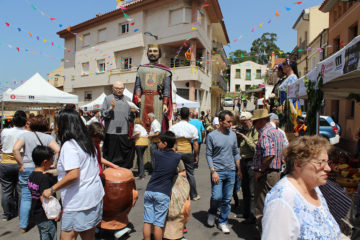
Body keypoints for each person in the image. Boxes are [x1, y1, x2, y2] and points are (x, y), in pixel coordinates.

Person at [262, 136, 341, 239]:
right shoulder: (282, 200)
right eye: (321, 162)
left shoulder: (314, 188)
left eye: (328, 162)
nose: (328, 168)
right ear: (298, 164)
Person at [42, 107, 104, 240]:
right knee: (89, 236)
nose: (55, 128)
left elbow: (74, 174)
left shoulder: (70, 146)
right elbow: (81, 168)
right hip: (94, 197)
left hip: (78, 201)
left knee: (67, 237)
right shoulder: (88, 143)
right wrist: (56, 172)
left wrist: (52, 189)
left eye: (57, 124)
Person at [13, 115, 60, 232]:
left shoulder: (24, 135)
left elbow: (15, 149)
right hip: (43, 168)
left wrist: (21, 164)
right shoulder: (47, 137)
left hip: (27, 167)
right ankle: (48, 216)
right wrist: (54, 163)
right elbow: (58, 149)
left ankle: (23, 225)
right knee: (45, 194)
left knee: (26, 196)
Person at [206, 110, 241, 234]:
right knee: (216, 196)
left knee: (227, 199)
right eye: (228, 122)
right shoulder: (211, 136)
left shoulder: (232, 135)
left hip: (231, 171)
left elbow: (236, 152)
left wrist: (239, 170)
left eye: (231, 122)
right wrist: (213, 171)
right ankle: (212, 212)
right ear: (220, 121)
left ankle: (222, 221)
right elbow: (209, 155)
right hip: (218, 171)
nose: (230, 124)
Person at [251, 109, 285, 235]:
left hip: (267, 174)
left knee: (261, 207)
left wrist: (260, 170)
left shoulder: (265, 133)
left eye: (255, 122)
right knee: (273, 206)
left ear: (260, 121)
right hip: (275, 173)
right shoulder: (277, 132)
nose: (254, 125)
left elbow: (269, 154)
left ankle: (263, 234)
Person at [143, 131, 181, 240]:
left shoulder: (157, 153)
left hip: (150, 190)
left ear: (165, 143)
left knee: (147, 221)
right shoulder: (177, 157)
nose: (158, 144)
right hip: (163, 192)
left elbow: (157, 150)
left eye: (159, 142)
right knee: (158, 224)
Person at [134, 44, 173, 131]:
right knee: (142, 124)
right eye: (150, 51)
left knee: (156, 123)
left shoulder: (165, 70)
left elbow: (167, 88)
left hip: (157, 100)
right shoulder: (141, 69)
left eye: (155, 51)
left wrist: (165, 103)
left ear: (159, 54)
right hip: (143, 100)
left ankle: (155, 142)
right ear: (147, 53)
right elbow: (138, 85)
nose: (152, 53)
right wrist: (138, 96)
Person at [0, 110, 27, 221]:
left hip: (5, 162)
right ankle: (22, 214)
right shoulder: (26, 133)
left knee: (6, 190)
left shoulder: (5, 131)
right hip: (20, 162)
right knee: (21, 190)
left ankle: (7, 214)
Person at [28, 146, 58, 240]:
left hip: (37, 214)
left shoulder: (31, 176)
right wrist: (54, 214)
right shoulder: (44, 178)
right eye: (51, 161)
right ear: (45, 162)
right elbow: (44, 197)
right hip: (46, 217)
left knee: (43, 236)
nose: (52, 163)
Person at [170, 107, 200, 201]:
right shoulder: (192, 127)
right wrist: (196, 155)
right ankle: (194, 195)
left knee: (175, 173)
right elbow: (195, 144)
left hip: (177, 151)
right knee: (190, 173)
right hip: (187, 151)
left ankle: (175, 193)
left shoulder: (173, 127)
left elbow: (170, 140)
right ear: (189, 115)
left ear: (180, 115)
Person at [102, 80, 133, 168]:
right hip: (111, 132)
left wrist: (133, 113)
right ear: (113, 88)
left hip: (124, 132)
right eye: (117, 88)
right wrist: (111, 108)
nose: (119, 90)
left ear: (124, 89)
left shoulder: (128, 100)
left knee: (124, 155)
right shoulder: (108, 99)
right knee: (110, 155)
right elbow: (103, 115)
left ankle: (123, 172)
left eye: (121, 88)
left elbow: (131, 118)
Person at [236, 112, 258, 224]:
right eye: (242, 123)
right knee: (244, 188)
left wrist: (244, 137)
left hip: (251, 161)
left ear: (250, 121)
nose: (243, 125)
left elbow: (255, 148)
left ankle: (252, 215)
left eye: (245, 122)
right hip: (243, 161)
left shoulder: (255, 132)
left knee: (252, 190)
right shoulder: (243, 131)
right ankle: (246, 212)